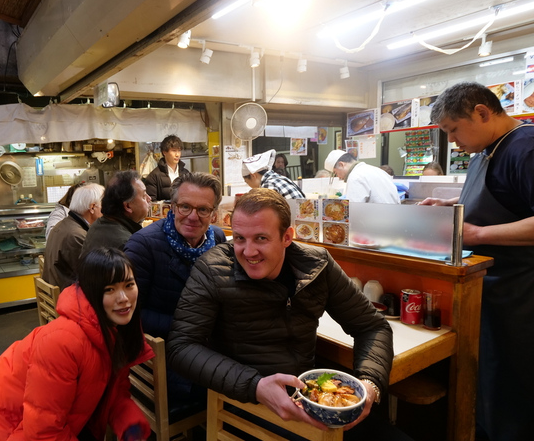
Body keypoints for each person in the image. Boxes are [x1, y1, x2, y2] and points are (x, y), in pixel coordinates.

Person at [166, 189, 395, 438]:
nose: (248, 251)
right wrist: (256, 386)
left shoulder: (317, 266)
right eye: (240, 238)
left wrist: (370, 384)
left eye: (261, 239)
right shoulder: (212, 269)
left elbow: (373, 327)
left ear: (287, 237)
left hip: (310, 399)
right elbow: (182, 347)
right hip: (243, 403)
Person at [418, 81, 534, 441]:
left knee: (515, 382)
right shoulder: (486, 150)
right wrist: (451, 210)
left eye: (454, 130)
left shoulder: (525, 148)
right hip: (490, 288)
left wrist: (478, 235)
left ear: (482, 113)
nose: (453, 142)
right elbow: (497, 203)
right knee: (490, 380)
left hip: (521, 292)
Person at [0, 248, 153, 441]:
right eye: (109, 289)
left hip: (53, 419)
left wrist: (130, 424)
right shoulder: (63, 341)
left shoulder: (118, 328)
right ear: (91, 292)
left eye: (129, 285)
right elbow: (44, 432)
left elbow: (113, 389)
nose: (123, 298)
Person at [124, 172, 226, 405]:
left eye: (203, 210)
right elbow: (130, 314)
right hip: (163, 360)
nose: (193, 217)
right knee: (234, 391)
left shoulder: (218, 239)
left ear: (214, 214)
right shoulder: (143, 245)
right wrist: (193, 326)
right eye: (185, 207)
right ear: (172, 207)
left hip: (210, 348)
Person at [43, 183, 104, 288]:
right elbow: (94, 276)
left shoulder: (64, 224)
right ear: (92, 207)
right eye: (104, 205)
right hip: (69, 296)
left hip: (60, 287)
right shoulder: (76, 235)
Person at [81, 171, 150, 256]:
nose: (149, 198)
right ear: (128, 206)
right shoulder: (126, 243)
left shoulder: (99, 224)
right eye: (143, 196)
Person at [324, 149, 400, 204]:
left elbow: (354, 210)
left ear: (341, 165)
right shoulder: (376, 170)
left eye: (336, 172)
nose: (339, 177)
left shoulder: (355, 177)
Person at [143, 134, 190, 201]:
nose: (177, 154)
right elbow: (151, 202)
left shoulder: (186, 174)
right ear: (164, 152)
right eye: (174, 150)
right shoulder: (154, 176)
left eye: (179, 151)